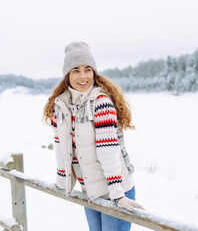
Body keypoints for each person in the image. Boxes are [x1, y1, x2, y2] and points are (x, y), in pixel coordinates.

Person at [43, 42, 144, 231]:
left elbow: (109, 150)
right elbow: (60, 146)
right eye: (76, 70)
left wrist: (117, 193)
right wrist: (62, 181)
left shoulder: (100, 102)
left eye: (87, 70)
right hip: (90, 189)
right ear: (67, 75)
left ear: (94, 72)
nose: (83, 76)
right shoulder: (61, 106)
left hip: (117, 190)